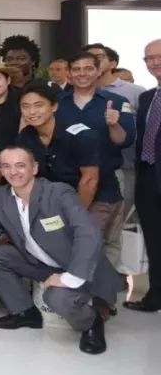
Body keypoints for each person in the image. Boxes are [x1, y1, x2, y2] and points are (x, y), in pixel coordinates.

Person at [0, 146, 121, 355]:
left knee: (56, 298)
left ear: (34, 168)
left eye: (20, 165)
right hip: (39, 263)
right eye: (6, 166)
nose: (13, 172)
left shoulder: (58, 192)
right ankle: (24, 313)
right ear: (1, 170)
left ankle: (92, 321)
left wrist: (69, 278)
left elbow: (89, 232)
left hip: (77, 267)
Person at [55, 52, 134, 258]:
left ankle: (108, 279)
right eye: (77, 69)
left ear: (98, 71)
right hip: (64, 185)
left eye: (89, 68)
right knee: (69, 243)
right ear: (69, 73)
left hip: (106, 186)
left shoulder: (116, 101)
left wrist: (114, 124)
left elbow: (124, 140)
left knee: (102, 245)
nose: (82, 74)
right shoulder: (56, 103)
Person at [87, 43, 147, 266]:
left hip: (126, 167)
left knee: (118, 227)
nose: (93, 61)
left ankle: (116, 275)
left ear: (112, 62)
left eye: (99, 57)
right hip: (88, 171)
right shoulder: (76, 94)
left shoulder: (134, 92)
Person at [1, 81, 102, 208]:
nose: (32, 112)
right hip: (52, 202)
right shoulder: (25, 136)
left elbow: (90, 181)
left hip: (93, 200)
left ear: (54, 106)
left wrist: (75, 214)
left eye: (38, 105)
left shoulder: (81, 135)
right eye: (25, 106)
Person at [127, 38, 161, 312]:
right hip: (148, 177)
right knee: (154, 240)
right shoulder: (147, 98)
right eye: (149, 58)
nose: (155, 62)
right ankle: (156, 296)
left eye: (159, 56)